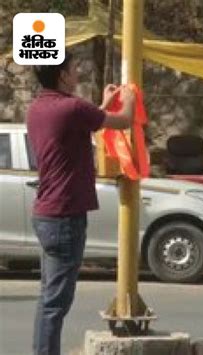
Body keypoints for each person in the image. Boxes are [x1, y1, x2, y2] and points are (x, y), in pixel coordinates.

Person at [26, 51, 136, 355]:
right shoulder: (72, 108)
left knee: (48, 299)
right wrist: (130, 95)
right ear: (62, 74)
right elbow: (123, 120)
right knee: (56, 303)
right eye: (74, 68)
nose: (78, 72)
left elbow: (87, 122)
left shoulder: (38, 108)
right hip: (65, 215)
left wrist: (103, 103)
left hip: (47, 212)